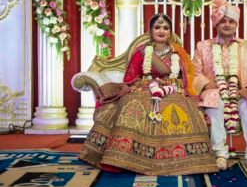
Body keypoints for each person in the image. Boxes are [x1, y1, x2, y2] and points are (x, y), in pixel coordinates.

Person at [79, 13, 218, 175]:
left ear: (170, 32)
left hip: (171, 89)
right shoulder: (141, 52)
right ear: (150, 31)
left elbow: (187, 78)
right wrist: (147, 84)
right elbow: (130, 78)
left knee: (185, 106)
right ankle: (122, 157)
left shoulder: (179, 53)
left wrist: (174, 85)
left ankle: (183, 158)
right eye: (157, 27)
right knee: (130, 101)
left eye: (165, 28)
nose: (161, 31)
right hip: (145, 87)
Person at [192, 0, 247, 174]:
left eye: (231, 21)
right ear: (216, 24)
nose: (227, 24)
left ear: (237, 25)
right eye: (223, 21)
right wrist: (207, 85)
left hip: (240, 91)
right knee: (214, 101)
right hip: (214, 90)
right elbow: (195, 73)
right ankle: (220, 154)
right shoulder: (203, 46)